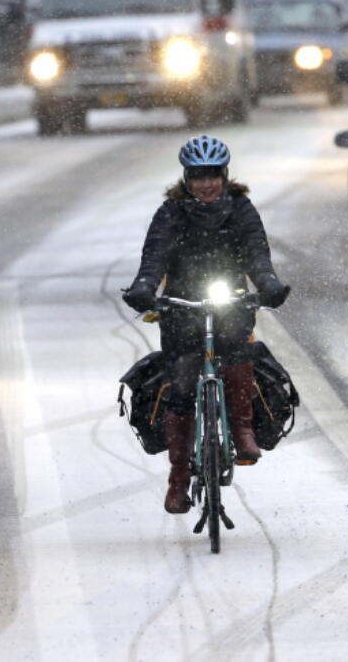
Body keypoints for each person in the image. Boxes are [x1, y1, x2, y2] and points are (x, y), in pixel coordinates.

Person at [123, 136, 291, 514]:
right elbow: (154, 258)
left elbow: (256, 254)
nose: (206, 184)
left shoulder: (241, 209)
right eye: (198, 177)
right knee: (181, 384)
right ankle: (178, 479)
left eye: (213, 175)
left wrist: (267, 284)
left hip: (229, 297)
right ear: (186, 178)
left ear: (224, 175)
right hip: (182, 303)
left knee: (236, 350)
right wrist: (145, 287)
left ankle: (243, 430)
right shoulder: (170, 212)